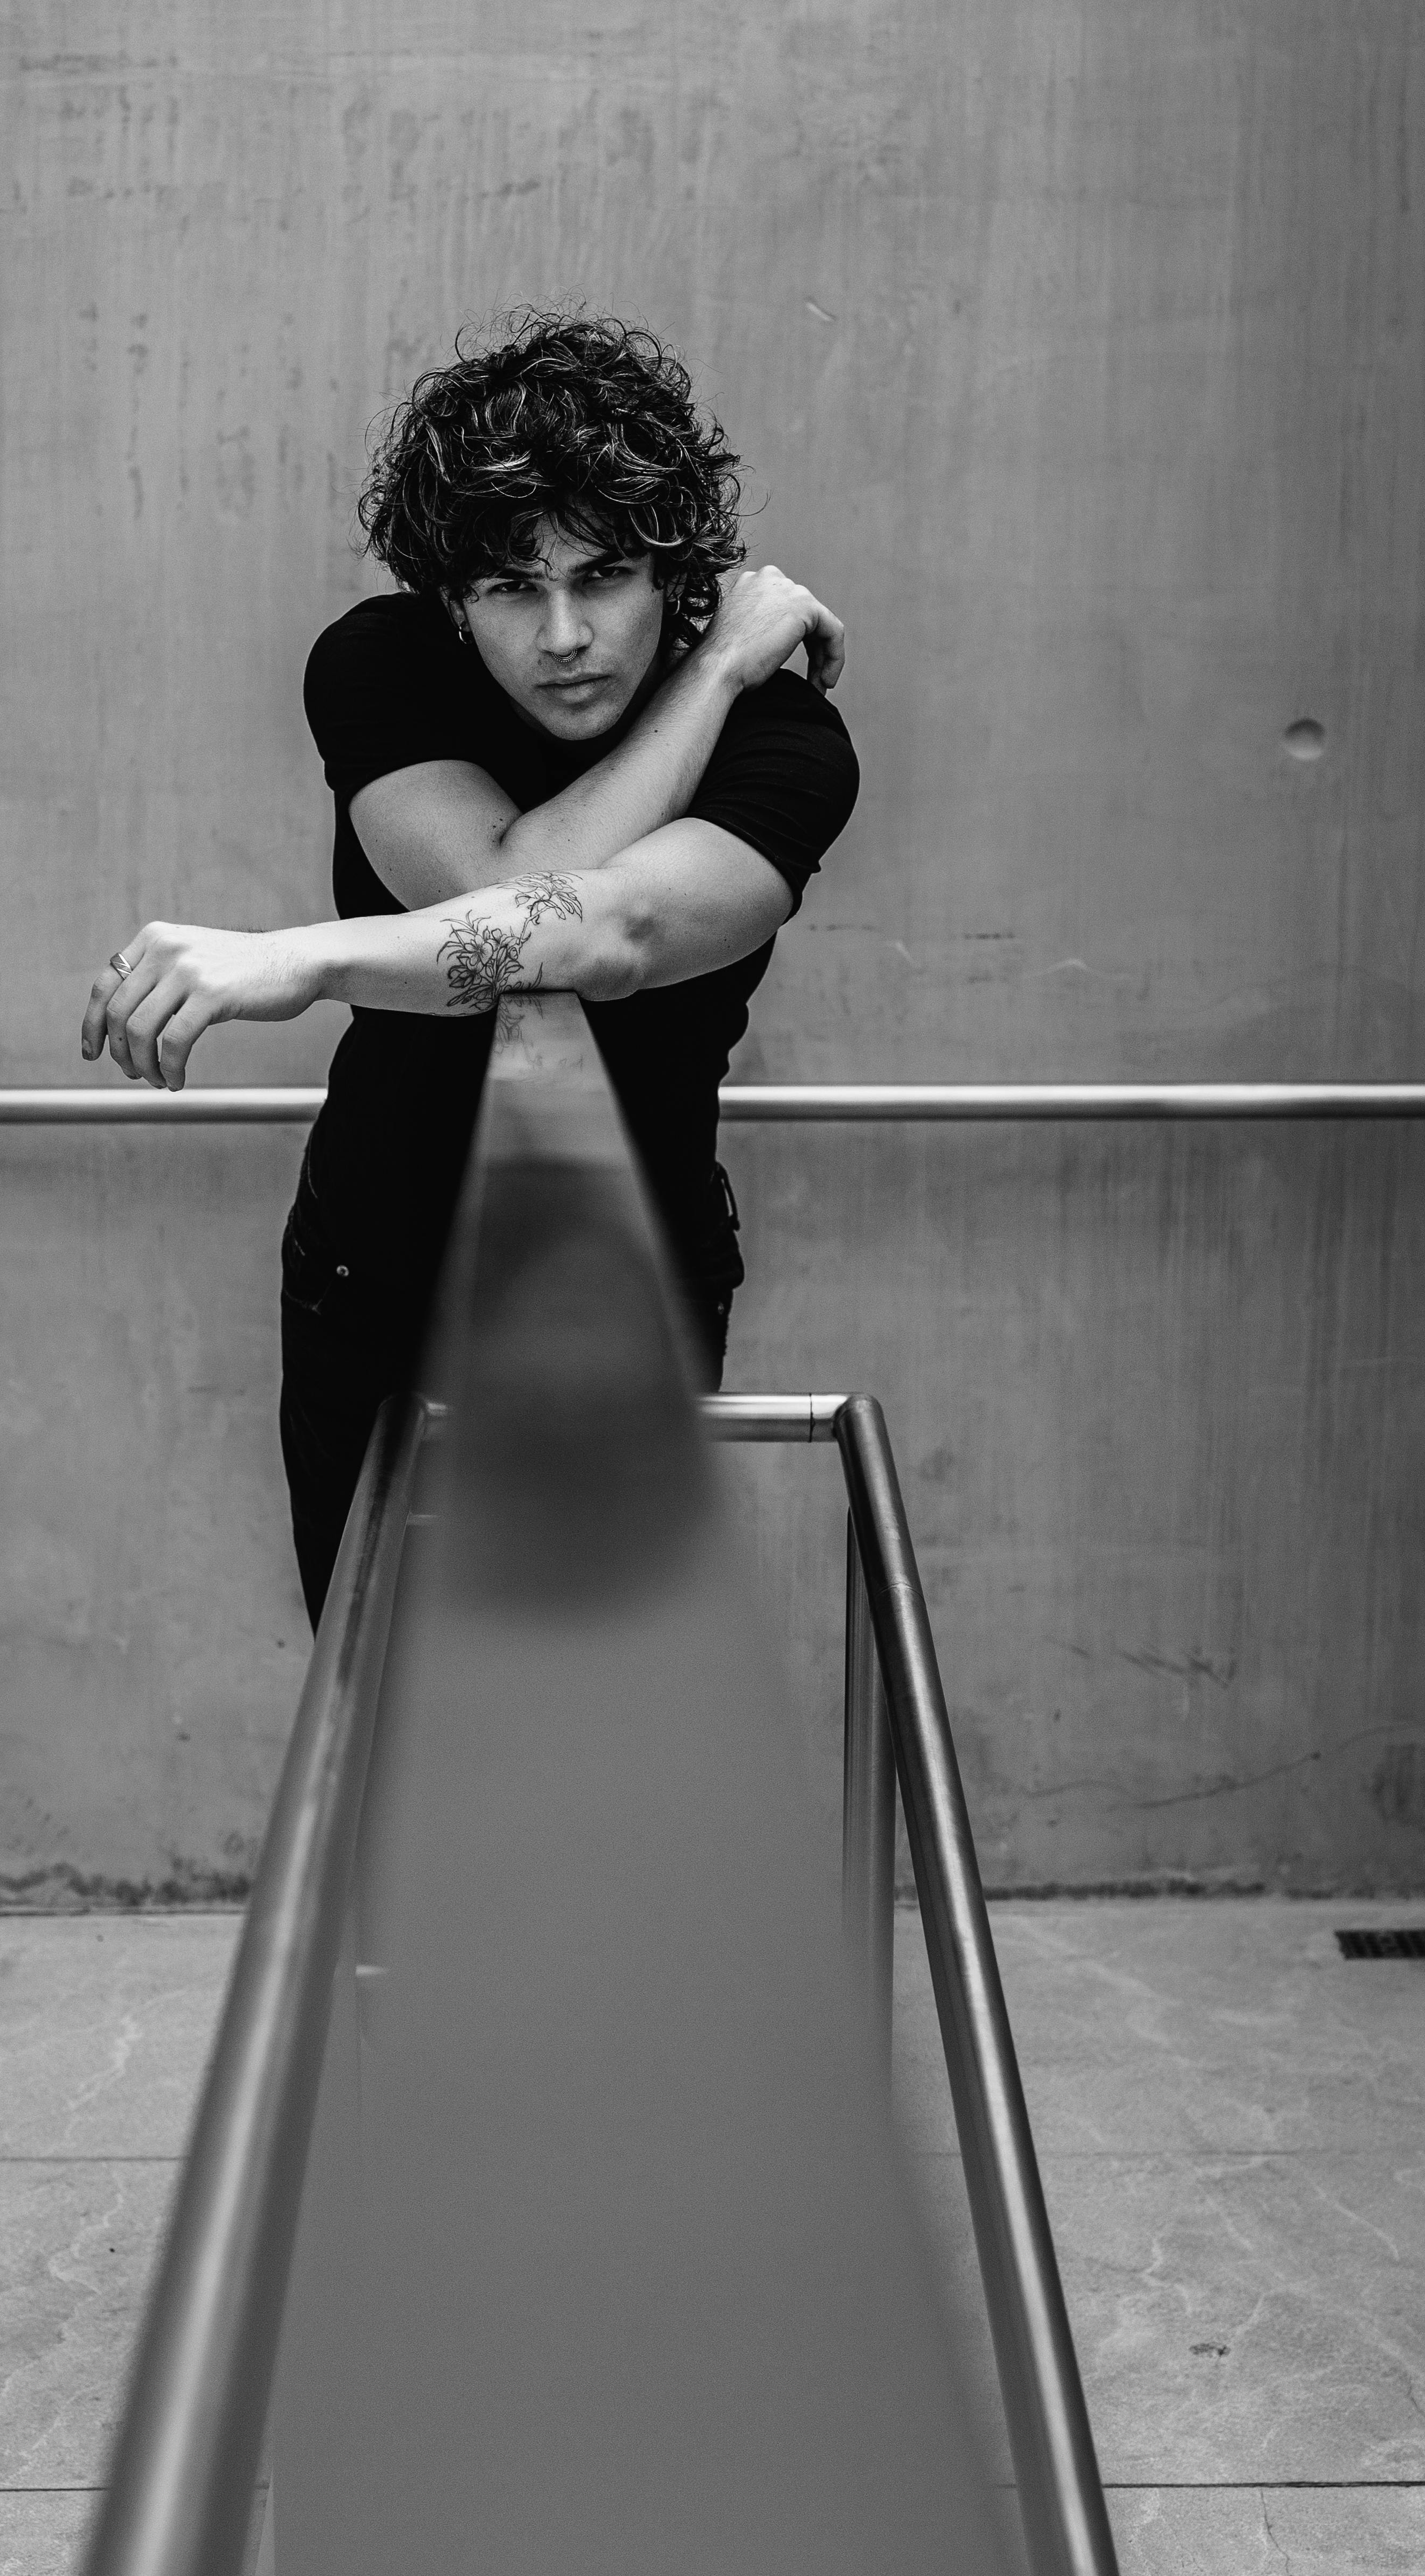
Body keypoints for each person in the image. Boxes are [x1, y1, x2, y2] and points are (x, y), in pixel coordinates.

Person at [80, 311, 859, 1624]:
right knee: (371, 1706)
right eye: (510, 589)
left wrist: (295, 958)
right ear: (451, 600)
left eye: (604, 575)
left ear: (676, 574)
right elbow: (497, 889)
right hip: (371, 1274)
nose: (564, 635)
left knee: (587, 1736)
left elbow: (595, 933)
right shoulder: (382, 662)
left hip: (621, 1298)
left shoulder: (783, 743)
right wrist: (714, 664)